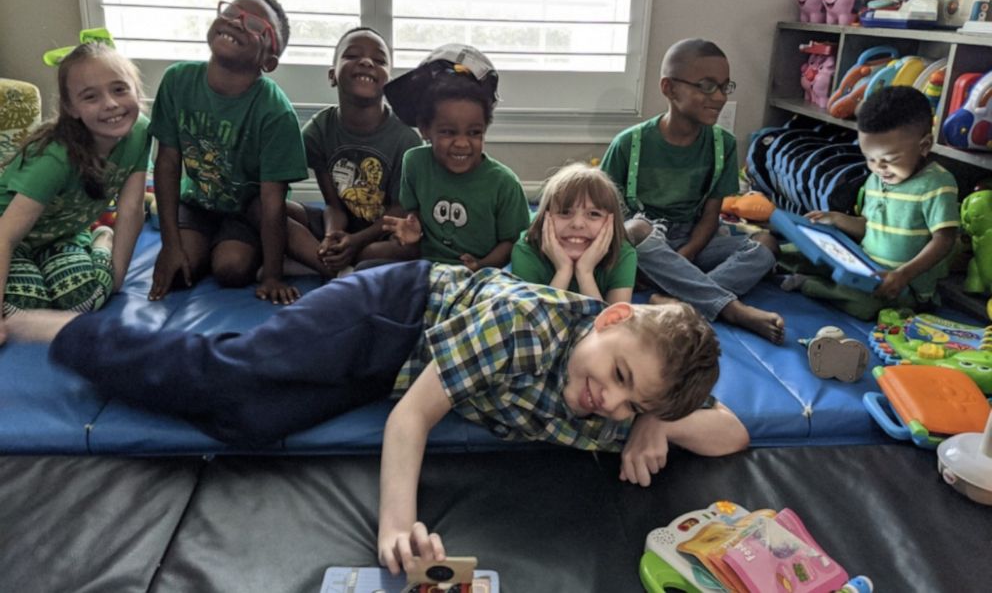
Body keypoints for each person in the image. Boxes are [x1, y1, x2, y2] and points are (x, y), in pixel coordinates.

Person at [6, 260, 748, 574]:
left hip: (396, 367)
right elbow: (413, 419)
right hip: (388, 315)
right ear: (610, 317)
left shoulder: (623, 396)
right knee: (231, 386)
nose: (607, 402)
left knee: (255, 423)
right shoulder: (525, 325)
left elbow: (731, 432)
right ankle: (56, 329)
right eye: (616, 377)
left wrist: (657, 421)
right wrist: (395, 526)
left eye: (631, 401)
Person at [600, 38, 784, 343]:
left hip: (692, 243)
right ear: (669, 89)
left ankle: (679, 304)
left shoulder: (722, 145)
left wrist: (686, 256)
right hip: (642, 245)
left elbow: (711, 216)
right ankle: (732, 308)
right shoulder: (629, 144)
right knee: (636, 228)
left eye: (725, 86)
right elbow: (606, 217)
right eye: (707, 86)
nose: (720, 97)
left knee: (766, 243)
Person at [148, 0, 308, 304]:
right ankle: (205, 243)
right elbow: (166, 162)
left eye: (253, 25)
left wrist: (273, 274)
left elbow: (272, 202)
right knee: (181, 273)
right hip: (196, 202)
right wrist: (170, 244)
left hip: (246, 209)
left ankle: (279, 241)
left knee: (231, 270)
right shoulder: (177, 81)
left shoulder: (275, 111)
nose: (235, 22)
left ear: (269, 61)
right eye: (232, 11)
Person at [0, 40, 150, 346]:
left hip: (63, 236)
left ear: (136, 90)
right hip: (11, 240)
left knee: (84, 298)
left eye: (120, 89)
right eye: (91, 97)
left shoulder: (140, 133)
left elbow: (133, 206)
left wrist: (117, 280)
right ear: (72, 108)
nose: (110, 104)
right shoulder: (56, 158)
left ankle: (100, 239)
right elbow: (6, 235)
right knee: (21, 308)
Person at [783, 86, 959, 320]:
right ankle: (775, 258)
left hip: (902, 285)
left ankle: (810, 285)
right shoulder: (876, 179)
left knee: (863, 304)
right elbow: (869, 226)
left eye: (889, 160)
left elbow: (944, 240)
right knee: (800, 251)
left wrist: (903, 274)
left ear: (924, 146)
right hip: (864, 264)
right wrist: (837, 219)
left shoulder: (937, 184)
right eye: (870, 159)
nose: (878, 168)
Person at [285, 27, 422, 276]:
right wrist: (332, 236)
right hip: (343, 225)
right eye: (352, 55)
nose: (367, 62)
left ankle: (323, 261)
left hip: (384, 231)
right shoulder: (319, 129)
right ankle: (330, 261)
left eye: (379, 60)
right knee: (267, 209)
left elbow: (398, 212)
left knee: (381, 252)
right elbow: (334, 206)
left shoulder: (406, 140)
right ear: (332, 75)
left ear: (388, 81)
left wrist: (357, 241)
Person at [381, 45, 530, 270]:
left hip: (480, 275)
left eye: (474, 132)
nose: (462, 143)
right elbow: (413, 212)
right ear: (425, 129)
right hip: (425, 269)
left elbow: (511, 242)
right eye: (448, 132)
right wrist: (413, 230)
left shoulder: (505, 184)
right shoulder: (414, 163)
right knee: (366, 270)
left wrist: (480, 267)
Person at [511, 163, 636, 303]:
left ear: (612, 221)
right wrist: (563, 271)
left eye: (593, 214)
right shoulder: (526, 250)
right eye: (565, 212)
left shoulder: (623, 253)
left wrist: (585, 273)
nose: (577, 224)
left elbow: (616, 325)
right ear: (546, 217)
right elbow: (533, 322)